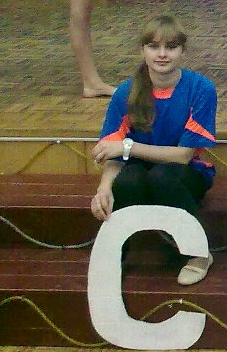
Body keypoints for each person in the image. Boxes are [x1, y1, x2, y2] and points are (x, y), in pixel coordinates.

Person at [90, 15, 217, 286]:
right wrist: (103, 189)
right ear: (142, 51)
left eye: (170, 47)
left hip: (186, 173)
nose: (162, 54)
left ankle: (199, 251)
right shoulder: (125, 93)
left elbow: (184, 155)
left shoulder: (201, 89)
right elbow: (113, 153)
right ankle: (116, 252)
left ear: (183, 51)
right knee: (127, 180)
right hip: (140, 171)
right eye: (153, 46)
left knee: (161, 176)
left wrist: (128, 147)